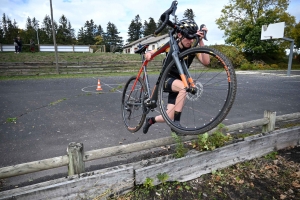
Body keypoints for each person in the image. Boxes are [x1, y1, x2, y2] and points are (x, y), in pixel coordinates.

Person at [142, 19, 210, 134]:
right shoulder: (171, 45)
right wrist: (149, 53)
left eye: (193, 37)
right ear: (179, 34)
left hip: (179, 82)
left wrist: (201, 41)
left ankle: (151, 120)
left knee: (167, 117)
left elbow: (206, 62)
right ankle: (177, 125)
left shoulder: (192, 49)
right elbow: (154, 52)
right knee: (184, 87)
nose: (191, 40)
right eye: (188, 37)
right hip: (167, 79)